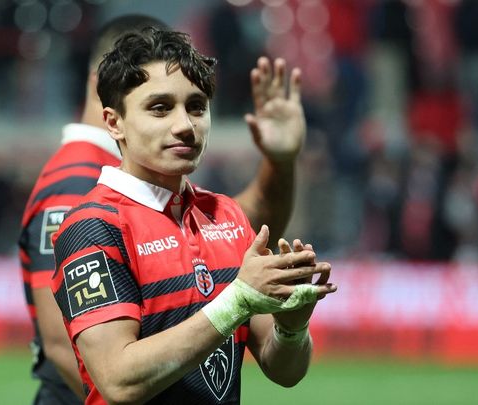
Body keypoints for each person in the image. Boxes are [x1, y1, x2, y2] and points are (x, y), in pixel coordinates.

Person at [18, 14, 307, 405]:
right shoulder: (91, 226)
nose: (185, 125)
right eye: (159, 108)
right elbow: (119, 380)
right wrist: (238, 300)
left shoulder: (226, 216)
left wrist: (292, 327)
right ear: (114, 122)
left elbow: (285, 371)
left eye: (197, 107)